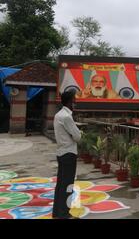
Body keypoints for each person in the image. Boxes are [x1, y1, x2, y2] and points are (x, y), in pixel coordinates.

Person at [52, 91, 82, 219]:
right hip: (69, 153)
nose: (75, 102)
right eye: (74, 99)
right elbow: (78, 137)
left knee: (61, 184)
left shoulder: (58, 115)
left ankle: (57, 212)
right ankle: (65, 214)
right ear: (70, 102)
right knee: (68, 185)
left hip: (61, 153)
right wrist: (78, 132)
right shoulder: (67, 117)